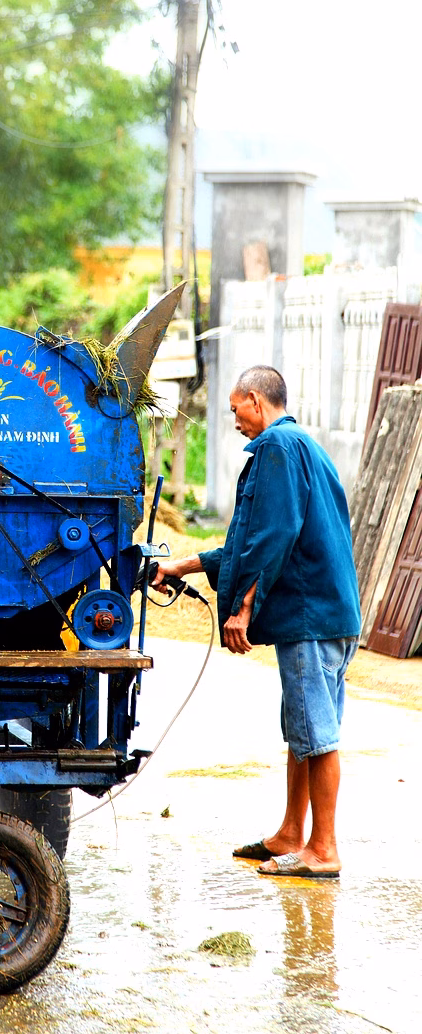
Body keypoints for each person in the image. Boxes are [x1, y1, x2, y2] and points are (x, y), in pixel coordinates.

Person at [155, 365, 360, 879]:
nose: (235, 421)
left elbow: (273, 536)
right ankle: (293, 833)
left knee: (318, 732)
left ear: (253, 400)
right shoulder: (300, 447)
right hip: (326, 612)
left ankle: (324, 849)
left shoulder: (276, 448)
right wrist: (182, 565)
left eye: (234, 410)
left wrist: (244, 607)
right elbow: (248, 543)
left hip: (309, 615)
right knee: (304, 729)